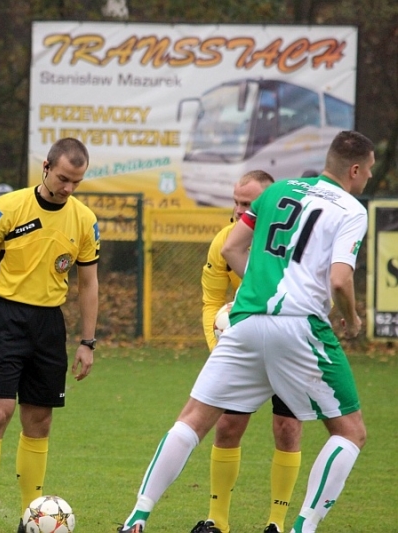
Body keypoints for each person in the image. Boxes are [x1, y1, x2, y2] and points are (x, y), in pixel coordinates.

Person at [118, 130, 374, 533]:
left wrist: (258, 285)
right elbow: (340, 280)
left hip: (246, 321)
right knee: (350, 432)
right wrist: (353, 319)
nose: (370, 176)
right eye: (370, 169)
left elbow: (231, 248)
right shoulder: (352, 209)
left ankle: (137, 516)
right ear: (355, 170)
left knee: (193, 420)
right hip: (300, 325)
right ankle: (301, 528)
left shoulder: (277, 192)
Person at [0, 137, 100, 533]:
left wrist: (87, 342)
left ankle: (30, 515)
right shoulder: (9, 207)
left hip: (49, 323)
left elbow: (88, 283)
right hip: (3, 316)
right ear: (46, 167)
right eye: (63, 178)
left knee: (40, 420)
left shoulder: (84, 220)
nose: (68, 188)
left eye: (77, 182)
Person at [195, 171, 303, 533]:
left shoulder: (295, 242)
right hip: (242, 346)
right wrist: (218, 347)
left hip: (289, 344)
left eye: (249, 203)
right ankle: (218, 520)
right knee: (227, 425)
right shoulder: (224, 242)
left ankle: (276, 523)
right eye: (237, 202)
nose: (240, 210)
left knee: (287, 427)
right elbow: (212, 302)